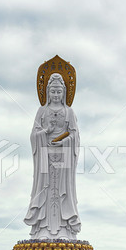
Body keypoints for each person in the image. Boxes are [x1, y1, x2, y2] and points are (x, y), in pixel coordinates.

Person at [24, 73, 81, 240]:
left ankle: (64, 229)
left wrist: (64, 141)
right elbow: (33, 135)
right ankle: (42, 229)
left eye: (59, 92)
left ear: (64, 93)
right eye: (53, 92)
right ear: (47, 92)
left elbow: (75, 136)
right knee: (46, 189)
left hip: (64, 156)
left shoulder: (69, 112)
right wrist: (45, 132)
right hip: (45, 156)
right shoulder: (42, 111)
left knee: (62, 190)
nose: (56, 95)